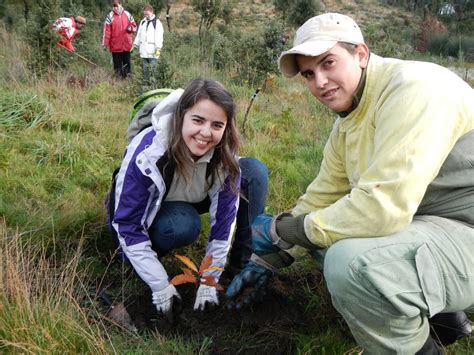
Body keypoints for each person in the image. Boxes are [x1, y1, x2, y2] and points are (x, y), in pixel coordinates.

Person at [226, 13, 473, 354]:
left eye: (328, 63)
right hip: (436, 223)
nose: (320, 82)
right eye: (309, 74)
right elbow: (323, 196)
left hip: (465, 227)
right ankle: (446, 323)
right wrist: (270, 259)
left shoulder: (416, 89)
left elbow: (381, 209)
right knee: (324, 236)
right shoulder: (349, 121)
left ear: (361, 54)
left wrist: (285, 231)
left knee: (350, 262)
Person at [109, 77, 268, 321]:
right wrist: (160, 285)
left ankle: (241, 269)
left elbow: (223, 224)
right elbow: (127, 224)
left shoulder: (224, 153)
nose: (206, 133)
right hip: (152, 208)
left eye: (217, 125)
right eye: (198, 120)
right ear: (181, 116)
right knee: (184, 225)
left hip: (194, 194)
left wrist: (209, 278)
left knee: (254, 171)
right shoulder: (148, 152)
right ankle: (149, 261)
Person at [102, 0, 137, 79]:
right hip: (115, 46)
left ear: (121, 4)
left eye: (117, 6)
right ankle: (118, 82)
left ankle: (128, 81)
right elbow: (107, 31)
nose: (116, 8)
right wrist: (105, 44)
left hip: (127, 45)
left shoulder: (128, 14)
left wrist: (130, 28)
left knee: (127, 65)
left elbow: (135, 27)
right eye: (114, 6)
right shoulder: (110, 16)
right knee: (117, 67)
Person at [133, 4, 164, 88]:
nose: (146, 15)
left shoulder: (157, 23)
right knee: (145, 71)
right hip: (143, 51)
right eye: (145, 14)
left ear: (151, 12)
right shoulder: (143, 22)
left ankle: (154, 87)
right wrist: (135, 45)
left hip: (153, 51)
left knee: (153, 71)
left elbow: (159, 36)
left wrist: (158, 49)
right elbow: (139, 35)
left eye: (147, 14)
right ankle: (145, 88)